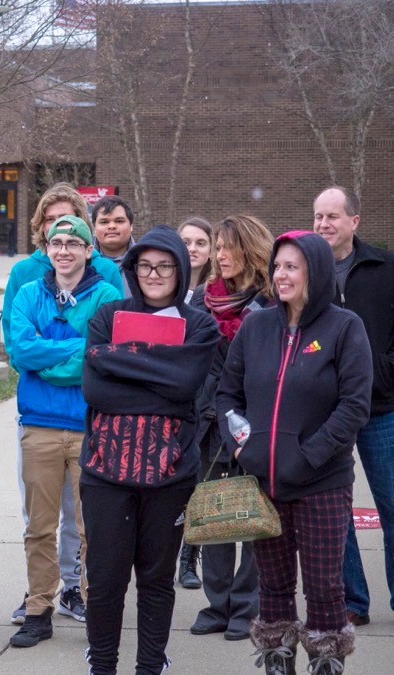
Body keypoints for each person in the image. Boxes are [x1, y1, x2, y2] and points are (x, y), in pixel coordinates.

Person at [217, 231, 372, 675]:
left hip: (321, 481)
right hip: (265, 481)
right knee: (274, 586)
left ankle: (326, 662)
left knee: (324, 586)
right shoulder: (257, 325)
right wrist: (243, 447)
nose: (281, 276)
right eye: (278, 267)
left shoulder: (344, 327)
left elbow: (354, 406)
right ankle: (277, 663)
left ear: (315, 272)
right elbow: (227, 394)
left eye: (292, 267)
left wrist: (307, 457)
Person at [81, 225, 219, 674]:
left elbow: (185, 386)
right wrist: (160, 377)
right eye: (145, 266)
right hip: (106, 471)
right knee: (104, 581)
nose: (154, 274)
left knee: (157, 582)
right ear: (132, 269)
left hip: (170, 472)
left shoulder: (199, 324)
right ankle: (102, 666)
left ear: (180, 269)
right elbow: (96, 390)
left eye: (164, 266)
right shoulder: (107, 316)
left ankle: (149, 667)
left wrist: (122, 362)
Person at [1, 183, 122, 625]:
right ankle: (39, 608)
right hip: (39, 424)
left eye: (73, 242)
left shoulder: (108, 296)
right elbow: (21, 352)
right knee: (40, 526)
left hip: (92, 423)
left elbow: (105, 354)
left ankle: (92, 606)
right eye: (56, 241)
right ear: (45, 246)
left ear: (89, 249)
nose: (64, 248)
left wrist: (54, 357)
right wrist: (75, 352)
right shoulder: (30, 291)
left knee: (93, 528)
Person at [189, 214, 275, 642]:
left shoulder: (271, 304)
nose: (220, 256)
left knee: (252, 516)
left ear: (251, 249)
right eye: (216, 248)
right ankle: (217, 604)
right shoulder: (200, 301)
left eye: (229, 247)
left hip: (257, 426)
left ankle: (247, 606)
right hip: (208, 422)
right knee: (216, 514)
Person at [313, 186, 394, 628]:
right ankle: (351, 602)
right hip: (327, 413)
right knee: (334, 513)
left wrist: (383, 371)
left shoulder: (386, 268)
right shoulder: (304, 273)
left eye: (332, 216)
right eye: (318, 216)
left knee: (392, 507)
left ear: (354, 221)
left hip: (384, 409)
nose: (323, 224)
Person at [175, 215, 214, 590]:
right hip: (171, 394)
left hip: (206, 397)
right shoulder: (161, 285)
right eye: (185, 241)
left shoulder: (217, 293)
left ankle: (189, 558)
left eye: (201, 242)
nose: (193, 249)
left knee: (201, 481)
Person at [91, 195, 136, 264]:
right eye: (104, 222)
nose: (112, 226)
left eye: (119, 221)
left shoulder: (145, 257)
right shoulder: (81, 258)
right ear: (94, 227)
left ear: (131, 226)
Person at [178, 216, 213, 302]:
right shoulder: (165, 288)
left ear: (211, 251)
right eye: (185, 243)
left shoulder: (220, 290)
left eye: (200, 243)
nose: (192, 249)